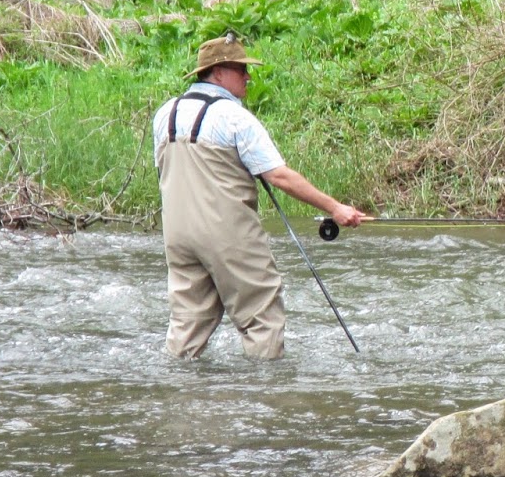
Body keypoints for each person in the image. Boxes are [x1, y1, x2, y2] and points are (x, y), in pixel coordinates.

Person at [152, 32, 369, 359]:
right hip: (228, 235)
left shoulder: (165, 113)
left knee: (188, 322)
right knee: (262, 318)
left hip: (178, 237)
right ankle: (265, 395)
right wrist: (335, 207)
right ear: (219, 72)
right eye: (241, 70)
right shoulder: (234, 117)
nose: (247, 77)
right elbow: (279, 176)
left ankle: (180, 394)